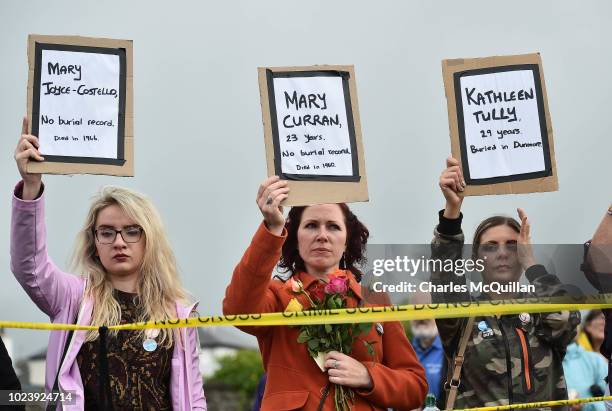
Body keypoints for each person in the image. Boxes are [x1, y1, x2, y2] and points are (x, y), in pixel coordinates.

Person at [10, 118, 206, 410]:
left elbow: (193, 397)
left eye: (131, 230)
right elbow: (29, 266)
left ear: (149, 238)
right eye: (107, 232)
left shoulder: (177, 311)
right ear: (94, 241)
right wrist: (31, 186)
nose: (119, 241)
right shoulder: (72, 298)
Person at [223, 176, 428, 410]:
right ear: (295, 237)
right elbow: (237, 309)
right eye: (311, 225)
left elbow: (416, 387)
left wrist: (368, 376)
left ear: (346, 240)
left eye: (333, 226)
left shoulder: (375, 301)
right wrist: (272, 227)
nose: (322, 235)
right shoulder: (276, 297)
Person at [430, 157, 580, 410]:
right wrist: (451, 212)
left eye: (512, 246)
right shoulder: (464, 318)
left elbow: (565, 320)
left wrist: (532, 262)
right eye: (490, 246)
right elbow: (445, 277)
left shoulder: (538, 313)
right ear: (477, 257)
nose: (501, 253)